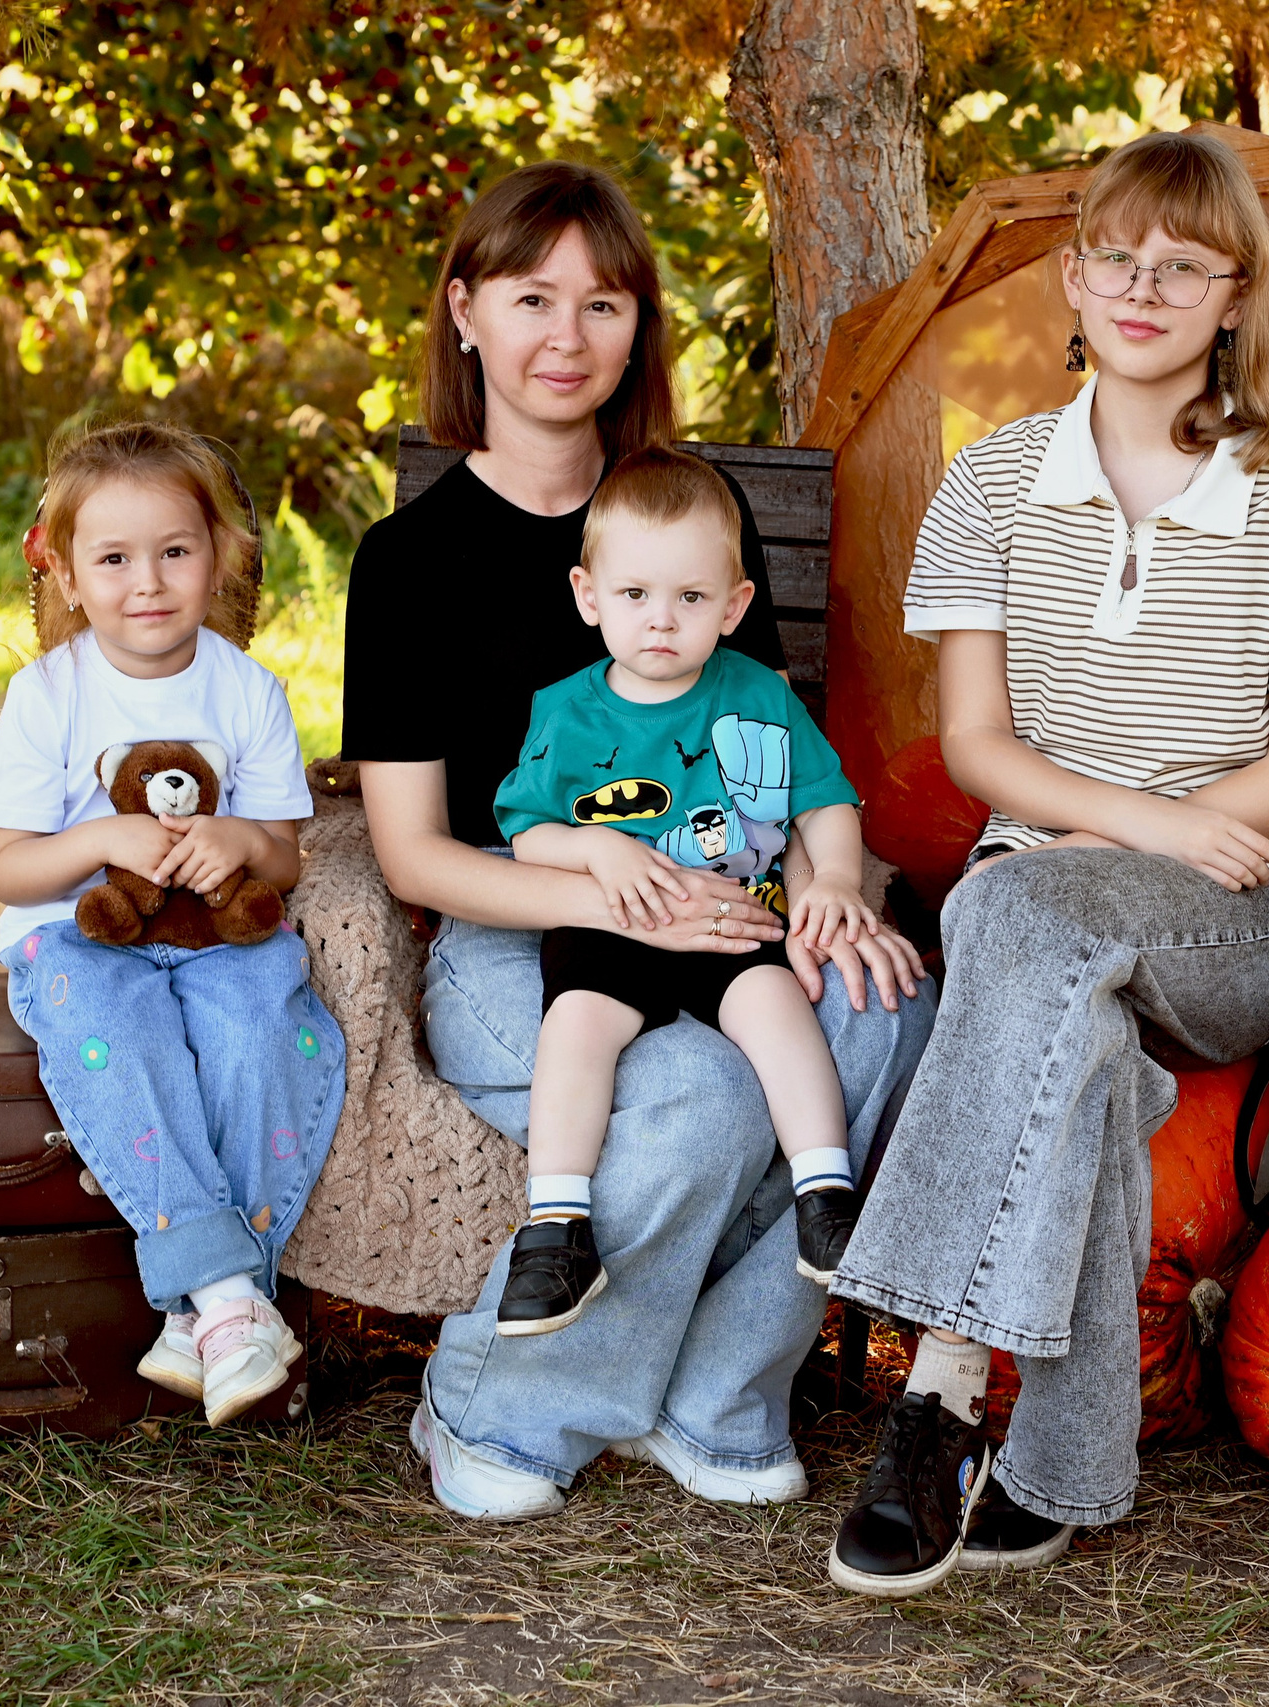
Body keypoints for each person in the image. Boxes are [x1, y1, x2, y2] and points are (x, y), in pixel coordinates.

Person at [824, 130, 1269, 1596]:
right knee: (1057, 1000)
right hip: (1052, 895)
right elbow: (977, 745)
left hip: (1232, 916)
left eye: (1184, 266)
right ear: (1074, 280)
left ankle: (935, 1391)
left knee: (1016, 905)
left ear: (1236, 296)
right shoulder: (993, 483)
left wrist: (1145, 836)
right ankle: (1065, 1468)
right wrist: (1134, 819)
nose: (1145, 289)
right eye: (1117, 258)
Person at [344, 161, 933, 1521]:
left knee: (875, 1013)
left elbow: (766, 754)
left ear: (636, 330)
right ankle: (494, 1405)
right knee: (697, 1097)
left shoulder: (689, 517)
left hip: (722, 898)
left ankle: (717, 1391)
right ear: (465, 313)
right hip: (518, 934)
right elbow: (415, 856)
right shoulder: (411, 561)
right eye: (532, 298)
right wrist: (606, 891)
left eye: (603, 303)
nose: (568, 335)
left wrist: (825, 892)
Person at [0, 421, 340, 1426]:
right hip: (81, 938)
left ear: (218, 556)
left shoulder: (247, 689)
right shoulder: (49, 694)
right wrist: (104, 838)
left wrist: (239, 839)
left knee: (265, 1030)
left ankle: (202, 1314)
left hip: (217, 935)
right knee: (120, 1034)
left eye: (175, 550)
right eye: (113, 559)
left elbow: (283, 856)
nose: (147, 581)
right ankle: (231, 1294)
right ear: (65, 572)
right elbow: (9, 868)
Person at [492, 448, 877, 1333]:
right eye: (634, 594)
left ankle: (826, 1195)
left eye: (691, 598)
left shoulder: (757, 697)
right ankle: (556, 1225)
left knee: (780, 1010)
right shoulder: (567, 710)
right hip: (614, 921)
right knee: (576, 1025)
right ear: (589, 596)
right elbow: (526, 831)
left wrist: (837, 877)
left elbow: (824, 799)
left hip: (735, 913)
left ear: (734, 606)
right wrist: (596, 848)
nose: (661, 620)